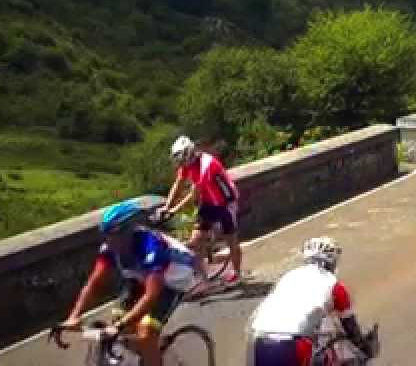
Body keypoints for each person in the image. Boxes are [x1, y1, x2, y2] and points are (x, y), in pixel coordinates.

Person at [59, 199, 199, 366]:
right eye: (106, 235)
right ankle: (152, 349)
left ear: (128, 232)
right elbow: (94, 284)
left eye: (114, 235)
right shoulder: (110, 249)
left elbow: (151, 295)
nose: (109, 241)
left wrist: (121, 326)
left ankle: (150, 348)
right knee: (119, 324)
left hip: (172, 281)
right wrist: (74, 317)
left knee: (146, 332)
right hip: (140, 277)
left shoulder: (151, 247)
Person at [246, 237, 375, 365]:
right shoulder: (334, 285)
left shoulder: (288, 276)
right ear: (332, 262)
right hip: (294, 342)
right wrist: (365, 348)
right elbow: (350, 326)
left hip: (257, 337)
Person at [159, 136, 243, 286]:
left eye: (181, 161)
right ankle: (204, 283)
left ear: (188, 155)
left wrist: (174, 210)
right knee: (195, 241)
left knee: (232, 241)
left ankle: (237, 274)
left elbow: (193, 194)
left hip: (226, 203)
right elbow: (178, 184)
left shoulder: (207, 165)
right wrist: (167, 206)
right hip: (209, 202)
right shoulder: (187, 164)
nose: (180, 165)